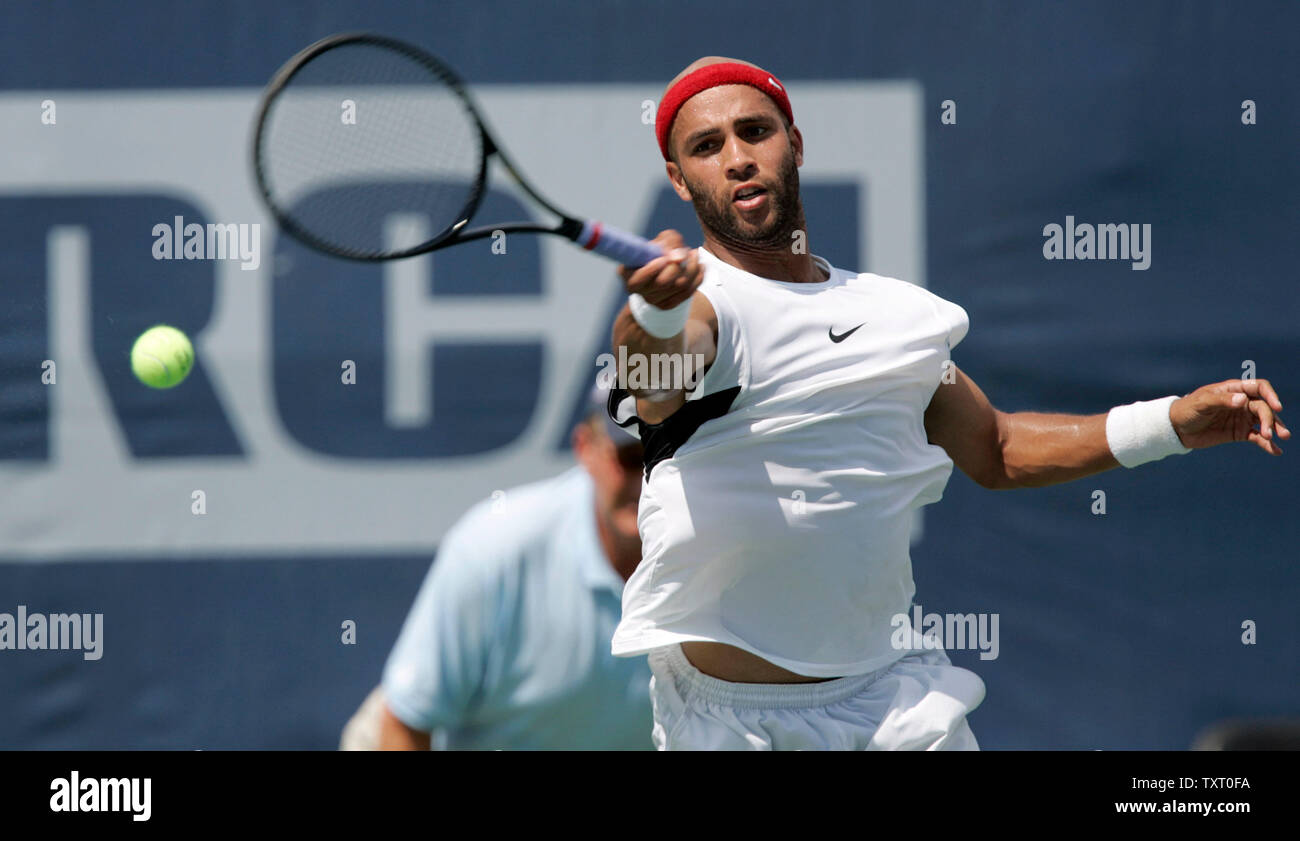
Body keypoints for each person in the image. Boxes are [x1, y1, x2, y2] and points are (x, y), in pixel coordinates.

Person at [606, 56, 1289, 750]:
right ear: (679, 180)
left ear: (796, 143)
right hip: (728, 724)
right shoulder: (699, 310)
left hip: (895, 706)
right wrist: (655, 313)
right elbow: (653, 376)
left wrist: (1171, 423)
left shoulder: (895, 316)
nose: (738, 157)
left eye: (755, 131)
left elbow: (997, 447)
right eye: (707, 146)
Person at [349, 386, 652, 750]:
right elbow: (405, 722)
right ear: (585, 448)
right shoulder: (495, 546)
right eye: (632, 457)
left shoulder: (726, 558)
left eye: (666, 458)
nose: (648, 481)